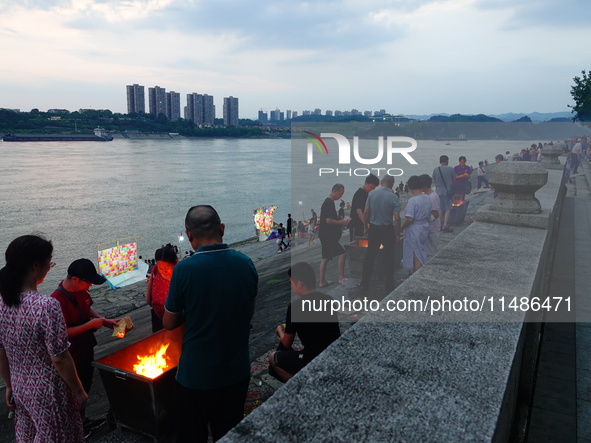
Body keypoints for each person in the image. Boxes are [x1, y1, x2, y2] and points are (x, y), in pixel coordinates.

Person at [163, 205, 258, 443]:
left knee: (191, 436)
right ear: (222, 229)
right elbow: (249, 311)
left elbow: (169, 322)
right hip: (236, 371)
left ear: (190, 235)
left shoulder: (184, 269)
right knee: (228, 433)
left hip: (196, 377)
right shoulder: (246, 263)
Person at [0, 235, 87, 442]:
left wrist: (9, 384)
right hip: (49, 392)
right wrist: (79, 391)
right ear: (35, 265)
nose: (50, 266)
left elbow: (1, 350)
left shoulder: (2, 303)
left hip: (21, 387)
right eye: (50, 261)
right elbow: (60, 357)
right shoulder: (46, 306)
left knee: (29, 436)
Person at [51, 258, 120, 437]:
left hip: (86, 349)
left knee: (86, 388)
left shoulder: (81, 291)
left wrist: (106, 322)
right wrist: (91, 325)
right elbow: (62, 333)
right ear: (75, 279)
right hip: (70, 357)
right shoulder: (56, 300)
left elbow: (87, 309)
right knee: (73, 394)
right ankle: (74, 430)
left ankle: (81, 421)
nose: (89, 286)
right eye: (88, 282)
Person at [268, 262, 340, 382]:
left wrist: (280, 331)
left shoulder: (296, 306)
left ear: (299, 283)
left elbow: (286, 343)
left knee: (272, 358)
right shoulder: (328, 299)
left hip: (313, 359)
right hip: (334, 355)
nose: (292, 287)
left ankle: (301, 386)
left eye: (292, 283)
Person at [360, 174, 401, 292]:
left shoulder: (372, 194)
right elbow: (397, 218)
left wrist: (365, 227)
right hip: (387, 229)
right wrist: (397, 234)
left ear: (382, 182)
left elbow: (366, 212)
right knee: (389, 258)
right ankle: (389, 285)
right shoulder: (394, 197)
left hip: (374, 228)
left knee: (370, 257)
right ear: (392, 184)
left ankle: (364, 283)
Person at [319, 184, 350, 287]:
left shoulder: (328, 202)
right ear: (335, 191)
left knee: (325, 258)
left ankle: (322, 281)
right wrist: (343, 222)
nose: (340, 196)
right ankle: (341, 277)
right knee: (343, 253)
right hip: (328, 235)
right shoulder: (329, 203)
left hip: (324, 234)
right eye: (340, 193)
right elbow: (328, 220)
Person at [401, 175, 432, 273]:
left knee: (416, 252)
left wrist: (402, 227)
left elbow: (410, 218)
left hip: (415, 229)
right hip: (424, 226)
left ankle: (417, 272)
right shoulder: (427, 198)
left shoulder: (413, 201)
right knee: (421, 250)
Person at [146, 244, 178, 333]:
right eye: (161, 267)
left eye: (166, 268)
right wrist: (149, 301)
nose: (163, 271)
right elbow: (149, 293)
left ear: (175, 262)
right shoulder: (155, 270)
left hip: (176, 319)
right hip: (157, 316)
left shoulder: (181, 274)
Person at [349, 174, 380, 242]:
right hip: (356, 224)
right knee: (355, 243)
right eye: (370, 187)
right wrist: (365, 224)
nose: (371, 189)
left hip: (362, 224)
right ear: (366, 183)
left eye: (373, 188)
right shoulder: (359, 194)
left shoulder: (367, 194)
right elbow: (359, 211)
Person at [432, 155, 456, 233]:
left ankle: (439, 224)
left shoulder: (436, 169)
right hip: (447, 192)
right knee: (448, 208)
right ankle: (445, 225)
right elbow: (454, 179)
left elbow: (434, 180)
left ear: (440, 161)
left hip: (438, 191)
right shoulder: (450, 169)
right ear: (447, 161)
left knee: (440, 209)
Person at [419, 174, 440, 262]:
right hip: (427, 228)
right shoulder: (427, 195)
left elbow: (435, 213)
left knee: (431, 251)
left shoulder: (432, 197)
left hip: (432, 228)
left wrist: (423, 219)